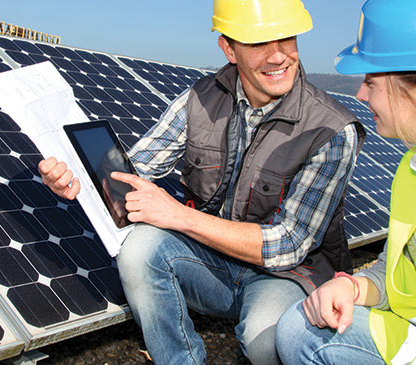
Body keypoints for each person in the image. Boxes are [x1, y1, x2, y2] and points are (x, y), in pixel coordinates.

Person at [39, 0, 365, 363]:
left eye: (285, 39)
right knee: (139, 250)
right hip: (213, 266)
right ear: (228, 48)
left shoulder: (332, 129)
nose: (278, 57)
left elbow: (289, 244)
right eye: (258, 43)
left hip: (288, 277)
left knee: (268, 342)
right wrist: (80, 181)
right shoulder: (199, 100)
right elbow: (135, 170)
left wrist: (179, 215)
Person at [275, 0, 416, 363]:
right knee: (300, 327)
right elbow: (403, 269)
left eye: (371, 82)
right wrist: (352, 286)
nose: (360, 95)